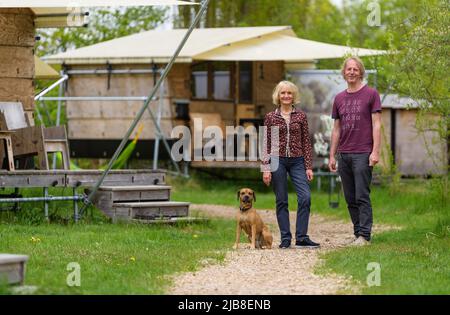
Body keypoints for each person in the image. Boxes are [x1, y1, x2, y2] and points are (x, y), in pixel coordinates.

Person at [328, 56, 382, 246]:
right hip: (344, 154)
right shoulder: (339, 98)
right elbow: (336, 129)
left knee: (361, 195)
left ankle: (365, 236)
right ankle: (358, 233)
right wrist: (332, 155)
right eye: (348, 69)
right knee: (350, 197)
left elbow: (377, 125)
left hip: (363, 153)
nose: (351, 72)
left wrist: (375, 152)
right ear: (344, 73)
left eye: (355, 69)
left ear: (361, 72)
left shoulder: (371, 94)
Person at [261, 80, 320, 249]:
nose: (286, 96)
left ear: (294, 96)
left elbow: (306, 142)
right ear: (278, 96)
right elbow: (266, 143)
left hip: (297, 160)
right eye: (283, 93)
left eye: (289, 93)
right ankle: (285, 238)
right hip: (276, 160)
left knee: (305, 197)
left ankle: (301, 237)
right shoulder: (271, 117)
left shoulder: (301, 116)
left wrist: (308, 166)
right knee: (281, 200)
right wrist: (265, 168)